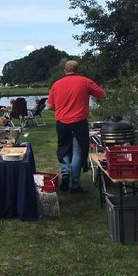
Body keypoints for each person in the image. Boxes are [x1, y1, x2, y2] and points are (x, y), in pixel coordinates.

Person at [47, 60, 106, 193]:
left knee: (64, 149)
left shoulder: (56, 84)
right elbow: (102, 94)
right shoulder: (85, 81)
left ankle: (65, 173)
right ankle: (75, 186)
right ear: (77, 70)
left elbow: (50, 106)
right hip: (79, 123)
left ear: (65, 70)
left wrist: (62, 107)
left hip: (62, 123)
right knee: (77, 152)